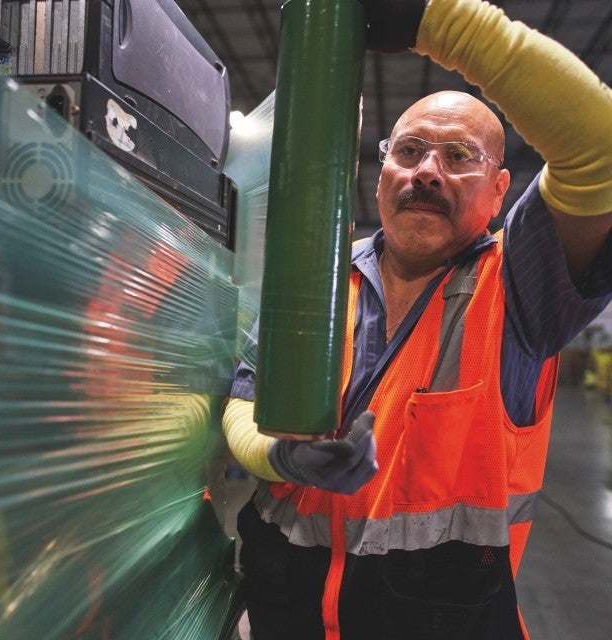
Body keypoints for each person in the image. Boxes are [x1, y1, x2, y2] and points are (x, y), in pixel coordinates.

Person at [222, 0, 612, 638]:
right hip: (277, 614)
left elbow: (601, 148)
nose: (427, 170)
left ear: (500, 191)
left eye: (460, 156)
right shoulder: (315, 276)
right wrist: (281, 458)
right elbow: (242, 399)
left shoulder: (516, 288)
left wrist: (439, 22)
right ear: (381, 176)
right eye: (409, 151)